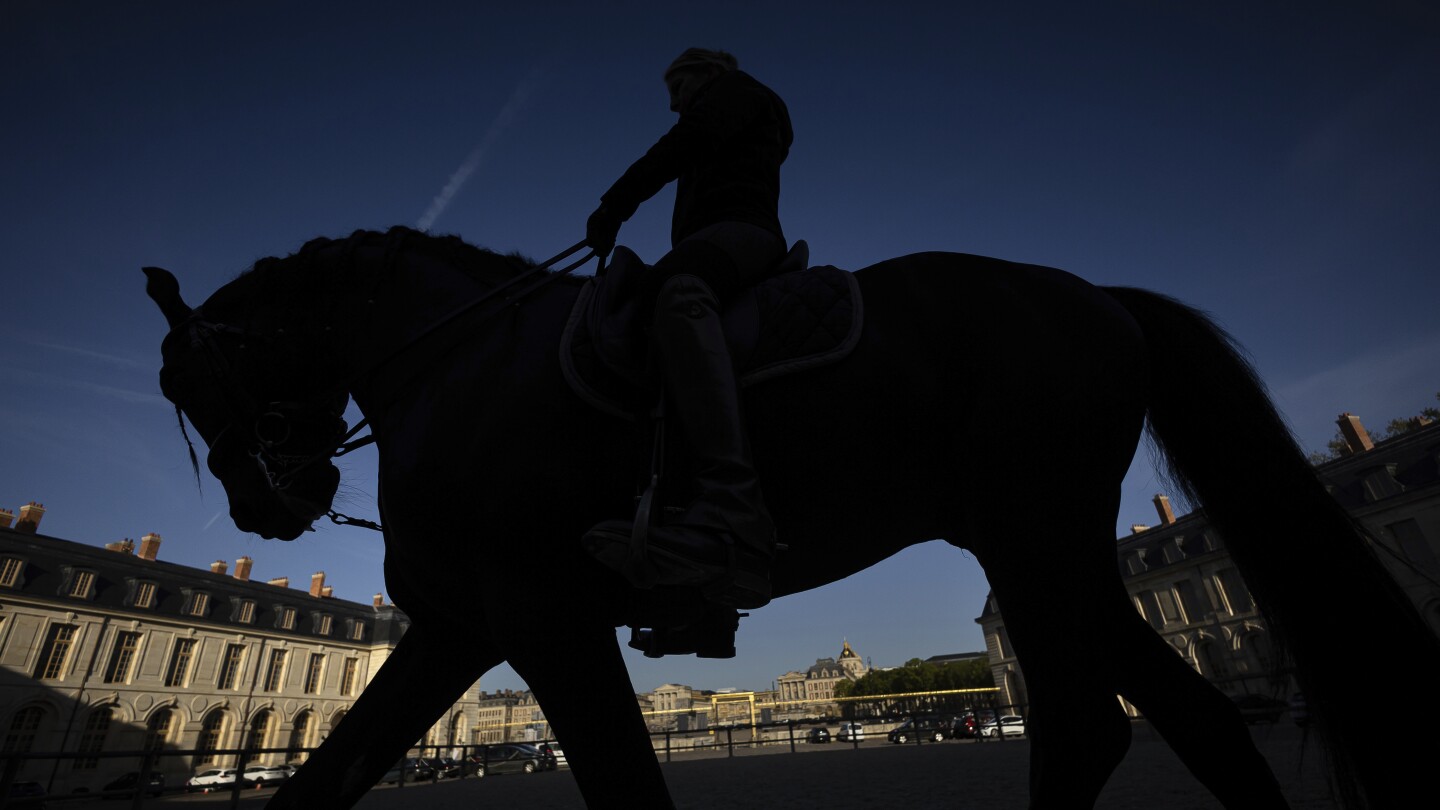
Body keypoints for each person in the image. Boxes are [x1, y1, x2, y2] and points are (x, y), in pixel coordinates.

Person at [581, 47, 793, 610]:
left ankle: (731, 500)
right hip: (718, 236)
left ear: (710, 74)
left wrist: (615, 204)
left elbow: (681, 145)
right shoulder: (733, 107)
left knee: (679, 295)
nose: (674, 104)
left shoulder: (740, 94)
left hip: (741, 233)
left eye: (679, 87)